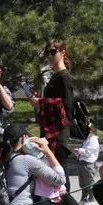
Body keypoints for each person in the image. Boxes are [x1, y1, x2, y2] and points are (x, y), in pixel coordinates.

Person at [4, 124, 91, 205]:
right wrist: (48, 151)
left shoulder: (3, 158)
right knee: (64, 196)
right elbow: (60, 179)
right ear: (23, 138)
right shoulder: (26, 160)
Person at [31, 40, 74, 188]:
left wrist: (41, 102)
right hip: (50, 132)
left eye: (53, 52)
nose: (49, 55)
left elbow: (67, 107)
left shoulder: (64, 77)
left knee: (61, 175)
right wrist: (39, 103)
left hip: (58, 134)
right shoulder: (56, 76)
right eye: (47, 53)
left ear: (63, 53)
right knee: (54, 175)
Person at [73, 122, 100, 205]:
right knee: (83, 183)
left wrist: (80, 150)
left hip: (89, 164)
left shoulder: (93, 140)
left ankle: (92, 199)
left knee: (89, 183)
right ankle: (84, 198)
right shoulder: (87, 139)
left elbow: (89, 151)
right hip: (82, 163)